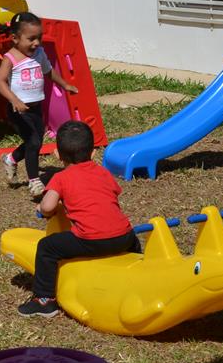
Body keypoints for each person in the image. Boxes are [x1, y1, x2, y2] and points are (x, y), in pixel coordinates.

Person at [18, 121, 141, 318]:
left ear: (57, 155)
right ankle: (140, 267)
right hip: (125, 237)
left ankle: (44, 300)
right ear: (93, 153)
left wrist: (42, 208)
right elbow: (110, 195)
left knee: (47, 247)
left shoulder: (61, 177)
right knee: (131, 239)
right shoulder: (104, 172)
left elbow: (49, 207)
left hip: (91, 240)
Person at [0, 12, 77, 197]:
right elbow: (0, 82)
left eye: (39, 37)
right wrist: (15, 100)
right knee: (33, 141)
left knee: (35, 142)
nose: (37, 43)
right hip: (18, 109)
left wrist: (65, 84)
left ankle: (10, 159)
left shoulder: (39, 53)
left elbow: (49, 72)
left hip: (36, 108)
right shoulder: (11, 58)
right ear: (15, 38)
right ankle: (34, 181)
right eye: (31, 39)